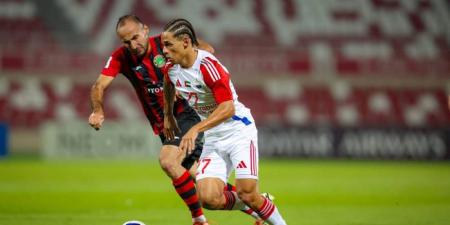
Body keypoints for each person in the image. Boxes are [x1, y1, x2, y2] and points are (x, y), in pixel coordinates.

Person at [88, 15, 215, 225]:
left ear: (145, 30)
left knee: (167, 161)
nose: (132, 45)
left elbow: (207, 49)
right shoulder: (122, 57)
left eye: (135, 37)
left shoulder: (166, 43)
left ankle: (199, 220)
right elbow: (98, 85)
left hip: (185, 115)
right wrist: (98, 110)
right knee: (198, 176)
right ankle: (254, 204)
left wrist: (183, 79)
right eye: (126, 42)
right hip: (163, 125)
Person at [162, 18, 287, 225]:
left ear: (185, 42)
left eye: (168, 45)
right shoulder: (171, 68)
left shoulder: (208, 67)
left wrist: (195, 129)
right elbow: (168, 84)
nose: (164, 51)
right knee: (208, 199)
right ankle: (257, 202)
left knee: (247, 193)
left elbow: (227, 108)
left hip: (238, 130)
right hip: (213, 135)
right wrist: (168, 116)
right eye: (163, 46)